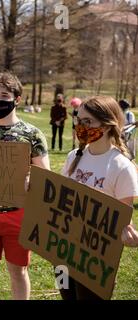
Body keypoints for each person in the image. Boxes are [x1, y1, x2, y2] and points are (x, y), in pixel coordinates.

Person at [0, 72, 51, 300]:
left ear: (16, 99)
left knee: (18, 271)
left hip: (18, 215)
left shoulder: (32, 134)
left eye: (4, 95)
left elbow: (45, 175)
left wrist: (28, 181)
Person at [60, 96, 138, 300]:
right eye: (79, 120)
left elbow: (122, 218)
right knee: (67, 297)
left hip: (95, 261)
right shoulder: (72, 157)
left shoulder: (122, 167)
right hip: (62, 254)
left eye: (88, 122)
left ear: (105, 125)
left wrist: (128, 234)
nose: (81, 126)